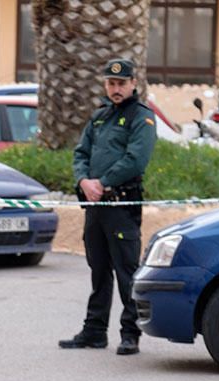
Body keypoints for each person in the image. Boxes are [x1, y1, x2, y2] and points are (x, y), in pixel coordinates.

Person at [60, 57, 157, 356]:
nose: (115, 89)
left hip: (121, 205)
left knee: (126, 271)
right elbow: (81, 153)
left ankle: (130, 334)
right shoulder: (100, 117)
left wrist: (102, 182)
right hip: (96, 206)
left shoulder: (142, 118)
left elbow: (136, 159)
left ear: (133, 84)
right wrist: (84, 181)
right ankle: (94, 331)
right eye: (111, 83)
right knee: (98, 270)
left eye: (121, 83)